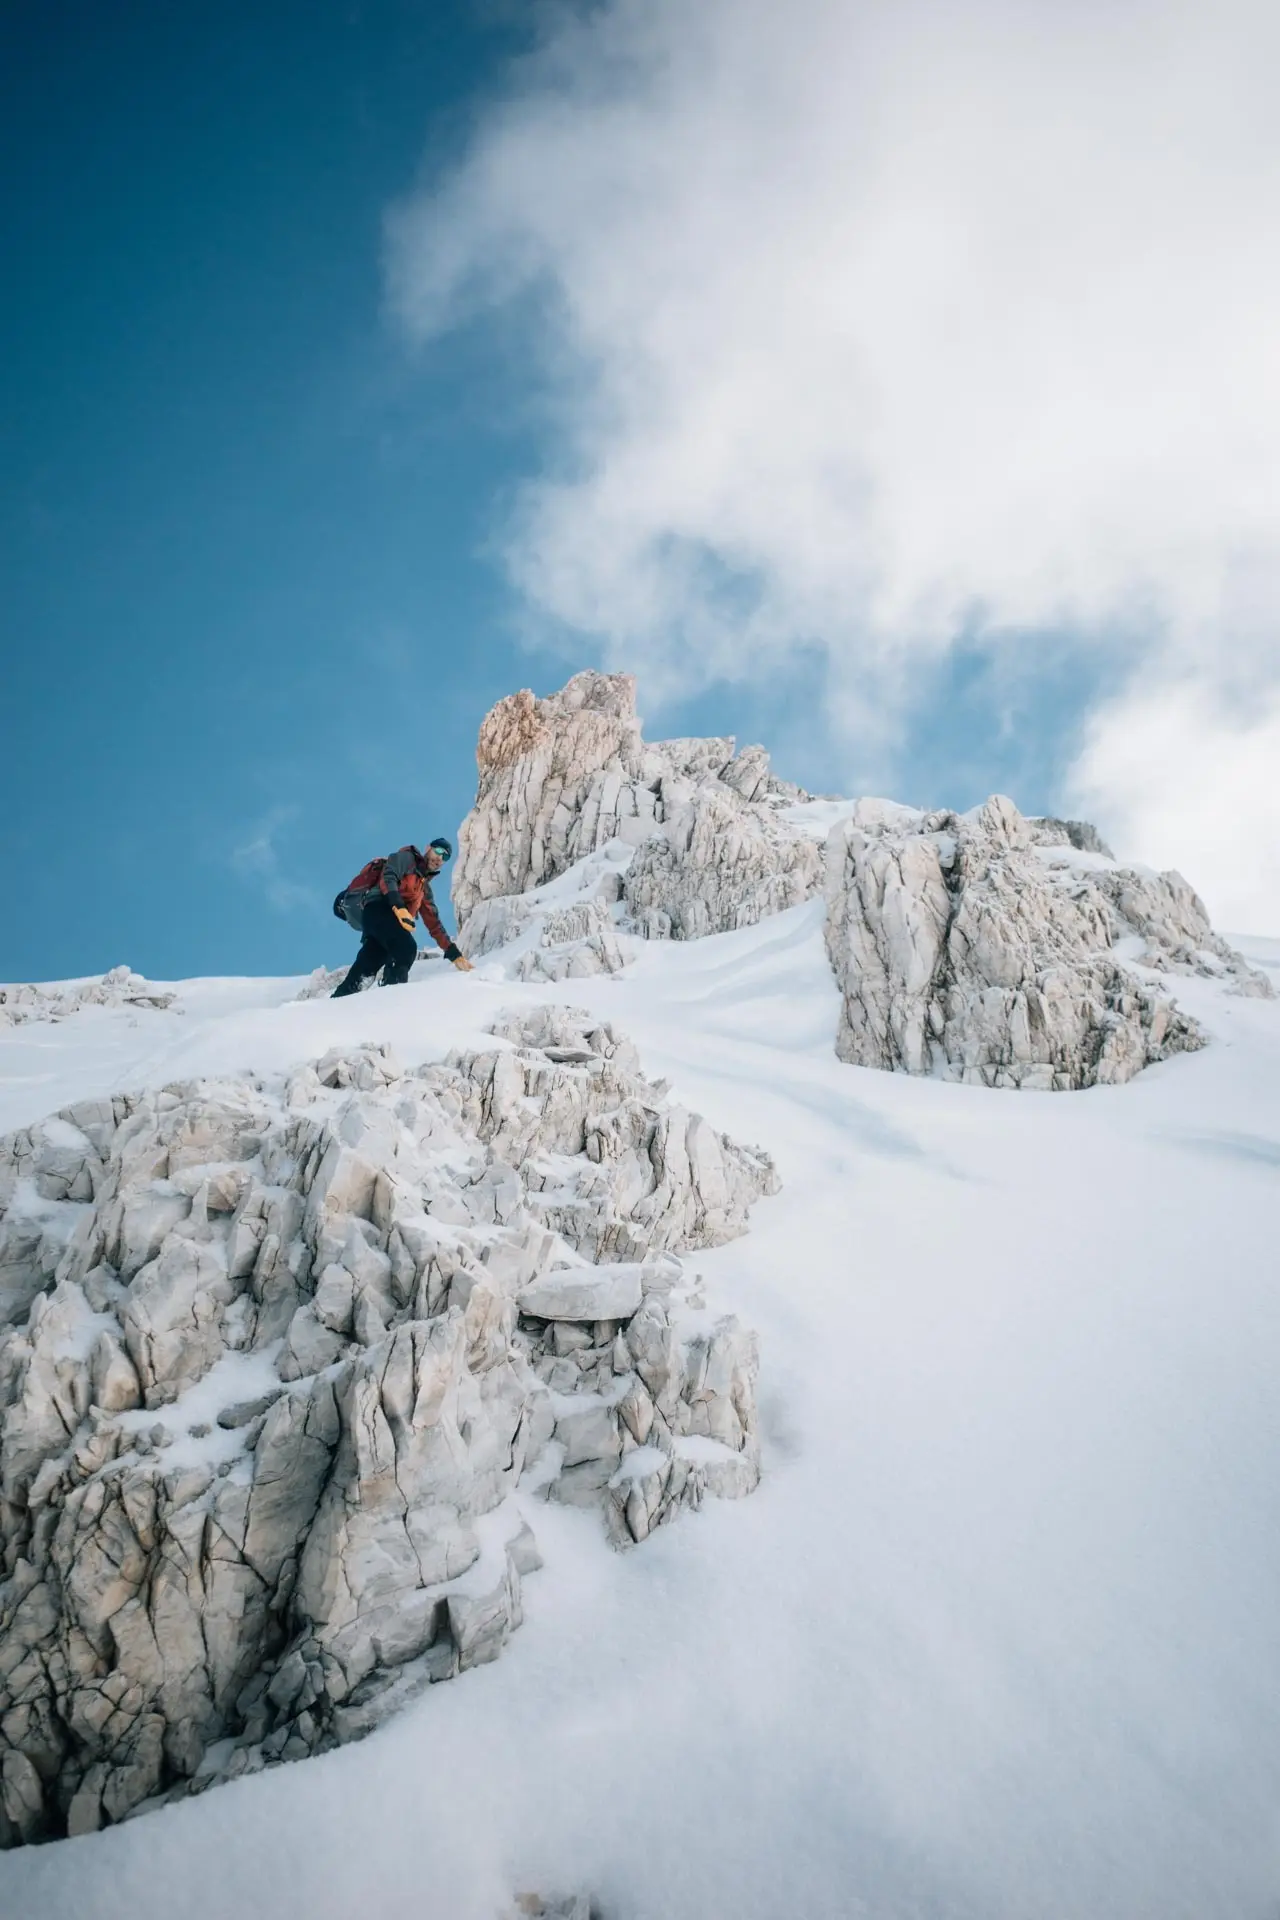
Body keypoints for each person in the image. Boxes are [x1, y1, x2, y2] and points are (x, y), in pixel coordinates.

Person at [331, 837, 473, 997]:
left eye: (445, 857)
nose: (440, 858)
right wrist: (398, 906)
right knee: (405, 948)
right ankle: (392, 997)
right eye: (438, 851)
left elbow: (434, 923)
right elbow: (388, 876)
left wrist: (454, 953)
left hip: (388, 923)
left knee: (368, 966)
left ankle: (339, 1001)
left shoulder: (423, 888)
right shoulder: (407, 858)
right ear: (428, 848)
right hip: (377, 909)